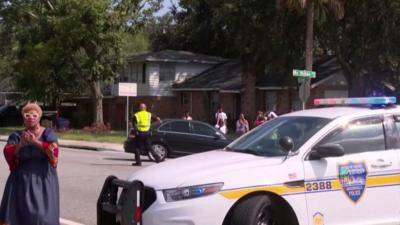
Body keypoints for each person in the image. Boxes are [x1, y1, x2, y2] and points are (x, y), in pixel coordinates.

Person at [0, 102, 60, 225]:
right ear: (23, 118)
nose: (31, 117)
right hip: (20, 181)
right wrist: (20, 144)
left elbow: (54, 151)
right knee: (18, 216)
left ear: (39, 116)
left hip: (43, 180)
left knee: (43, 217)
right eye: (27, 115)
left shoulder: (48, 133)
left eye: (34, 114)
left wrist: (35, 141)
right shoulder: (16, 135)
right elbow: (9, 153)